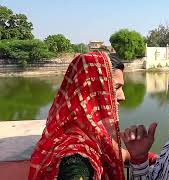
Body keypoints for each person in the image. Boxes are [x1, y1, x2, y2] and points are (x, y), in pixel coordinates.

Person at [29, 51, 126, 180]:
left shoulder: (86, 130)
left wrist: (142, 156)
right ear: (92, 91)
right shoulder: (76, 158)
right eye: (115, 88)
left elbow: (120, 153)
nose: (122, 97)